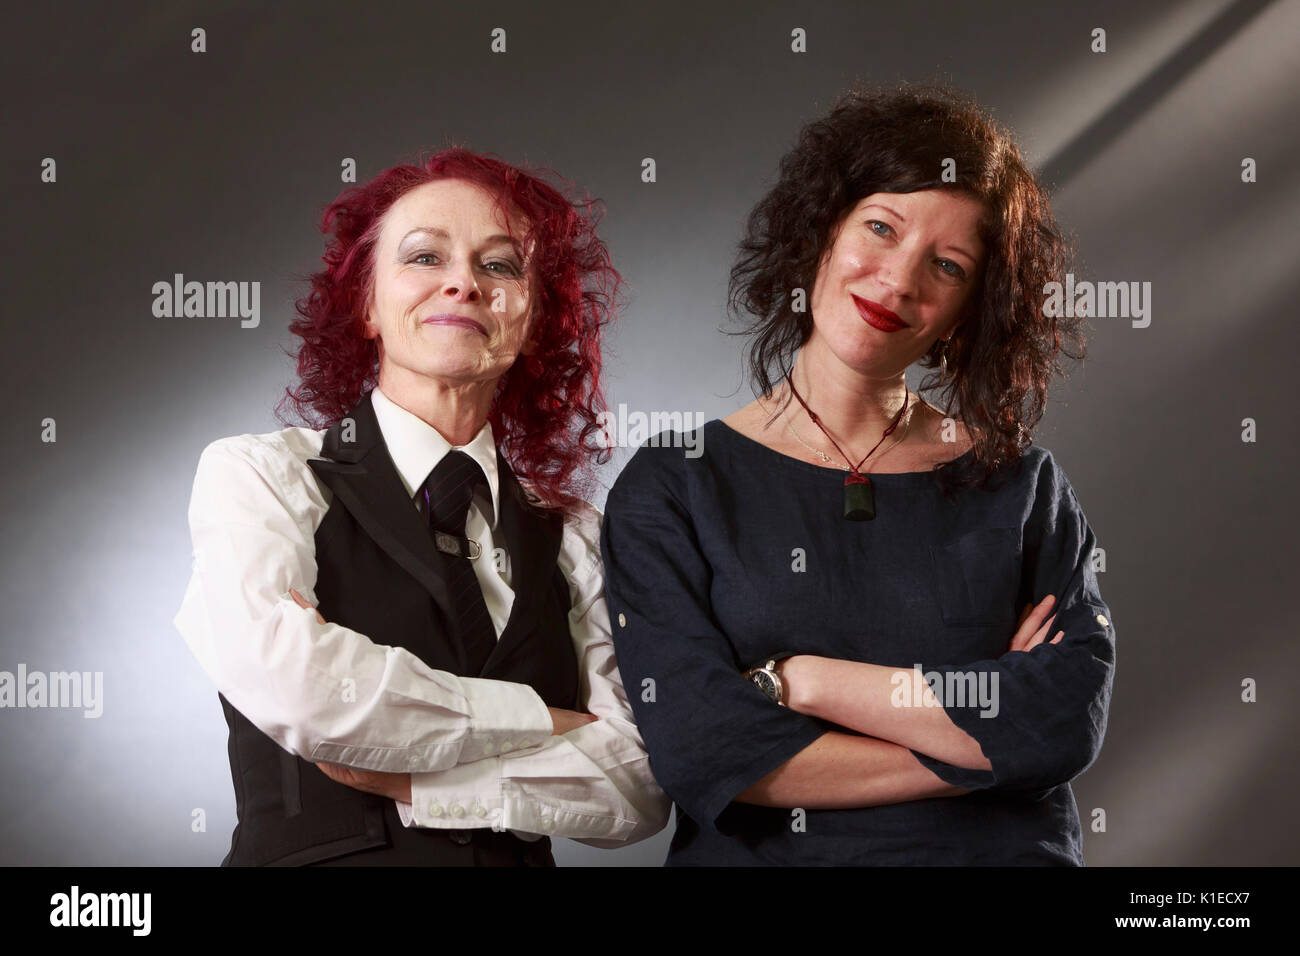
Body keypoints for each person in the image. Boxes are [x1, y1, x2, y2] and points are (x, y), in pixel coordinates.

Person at [600, 83, 1116, 865]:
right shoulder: (674, 486)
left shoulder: (1023, 489)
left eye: (947, 265)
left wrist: (801, 681)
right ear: (821, 235)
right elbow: (704, 751)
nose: (900, 280)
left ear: (968, 314)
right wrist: (986, 748)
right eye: (881, 227)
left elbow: (1061, 724)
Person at [174, 148, 670, 866]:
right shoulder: (260, 474)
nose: (463, 283)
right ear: (366, 306)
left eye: (500, 266)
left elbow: (637, 782)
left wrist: (423, 780)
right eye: (425, 257)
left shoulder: (574, 537)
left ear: (535, 322)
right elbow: (304, 692)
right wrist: (540, 721)